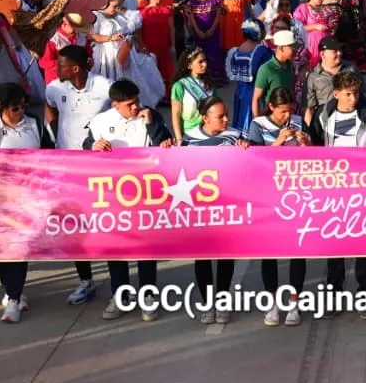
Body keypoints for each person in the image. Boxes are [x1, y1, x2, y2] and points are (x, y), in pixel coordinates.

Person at [86, 78, 175, 322]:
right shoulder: (100, 121)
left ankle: (148, 296)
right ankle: (120, 296)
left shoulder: (150, 116)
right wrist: (93, 145)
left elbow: (165, 144)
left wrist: (151, 126)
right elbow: (85, 147)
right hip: (114, 196)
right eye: (129, 104)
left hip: (145, 194)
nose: (135, 107)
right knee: (117, 249)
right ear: (115, 105)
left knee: (146, 249)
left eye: (137, 101)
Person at [311, 70, 366, 314]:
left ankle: (364, 297)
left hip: (364, 191)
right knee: (335, 248)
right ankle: (334, 297)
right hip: (333, 192)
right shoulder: (323, 115)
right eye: (347, 94)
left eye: (355, 93)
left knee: (363, 247)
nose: (353, 98)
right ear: (335, 94)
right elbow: (313, 145)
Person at [0, 83, 55, 322]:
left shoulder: (36, 125)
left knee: (19, 249)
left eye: (23, 105)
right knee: (1, 251)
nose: (21, 111)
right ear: (1, 107)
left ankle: (13, 297)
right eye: (15, 108)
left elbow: (52, 156)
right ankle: (12, 291)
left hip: (29, 200)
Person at [43, 44, 112, 306]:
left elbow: (124, 100)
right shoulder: (54, 88)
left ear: (75, 68)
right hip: (67, 169)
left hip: (97, 169)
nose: (56, 68)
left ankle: (118, 280)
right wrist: (52, 133)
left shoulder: (103, 85)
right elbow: (49, 107)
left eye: (60, 65)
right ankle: (86, 281)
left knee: (104, 224)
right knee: (74, 228)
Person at [183, 95, 250, 324]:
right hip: (200, 211)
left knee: (224, 258)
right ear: (205, 118)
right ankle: (207, 303)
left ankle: (222, 302)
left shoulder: (235, 135)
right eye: (220, 116)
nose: (226, 120)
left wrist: (247, 151)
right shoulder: (189, 138)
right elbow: (175, 166)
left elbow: (252, 164)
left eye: (226, 115)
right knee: (202, 258)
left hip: (227, 209)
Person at [248, 86, 310, 326]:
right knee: (270, 253)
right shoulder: (258, 125)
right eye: (282, 112)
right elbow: (253, 159)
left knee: (297, 251)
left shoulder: (297, 122)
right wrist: (278, 142)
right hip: (268, 197)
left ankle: (294, 303)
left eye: (290, 111)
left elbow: (310, 159)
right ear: (271, 107)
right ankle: (272, 304)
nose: (287, 116)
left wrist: (305, 144)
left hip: (295, 196)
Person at [169, 47, 214, 142]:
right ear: (189, 65)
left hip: (210, 132)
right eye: (200, 62)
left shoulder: (209, 84)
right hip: (190, 135)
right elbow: (175, 115)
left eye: (205, 60)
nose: (205, 64)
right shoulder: (179, 86)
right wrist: (179, 139)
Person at [252, 30, 297, 119]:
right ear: (280, 48)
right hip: (271, 119)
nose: (296, 49)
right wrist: (257, 123)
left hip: (288, 117)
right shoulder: (266, 69)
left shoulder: (291, 66)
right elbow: (256, 98)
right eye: (292, 46)